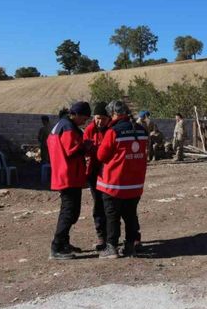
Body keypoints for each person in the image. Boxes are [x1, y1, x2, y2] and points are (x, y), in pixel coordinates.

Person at [96, 100, 148, 258]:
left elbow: (101, 156)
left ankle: (111, 247)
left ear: (113, 113)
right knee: (131, 215)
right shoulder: (141, 130)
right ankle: (130, 245)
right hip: (135, 183)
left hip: (114, 183)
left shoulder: (113, 131)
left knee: (112, 216)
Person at [47, 101, 91, 260]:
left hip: (64, 173)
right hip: (68, 175)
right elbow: (71, 150)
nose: (85, 122)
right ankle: (56, 247)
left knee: (71, 211)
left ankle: (64, 243)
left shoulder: (60, 124)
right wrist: (86, 146)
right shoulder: (68, 127)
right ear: (77, 114)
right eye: (84, 118)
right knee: (69, 212)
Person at [83, 102, 111, 251]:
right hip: (94, 173)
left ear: (108, 119)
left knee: (111, 205)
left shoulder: (112, 130)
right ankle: (102, 236)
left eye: (102, 118)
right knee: (98, 204)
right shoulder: (89, 130)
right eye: (97, 118)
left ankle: (113, 236)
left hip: (109, 174)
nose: (99, 121)